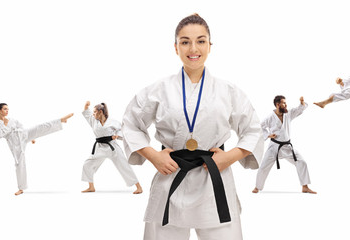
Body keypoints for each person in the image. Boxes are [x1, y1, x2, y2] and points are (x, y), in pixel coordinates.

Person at [122, 14, 263, 240]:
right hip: (170, 175)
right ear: (175, 47)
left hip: (214, 177)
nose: (193, 48)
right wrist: (153, 156)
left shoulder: (228, 91)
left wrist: (230, 157)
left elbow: (253, 130)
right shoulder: (157, 89)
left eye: (201, 40)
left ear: (209, 45)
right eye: (185, 41)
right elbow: (130, 124)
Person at [0, 103, 73, 195]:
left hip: (23, 134)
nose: (7, 111)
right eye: (5, 109)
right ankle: (21, 188)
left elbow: (21, 126)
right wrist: (5, 125)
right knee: (20, 163)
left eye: (8, 109)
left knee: (39, 127)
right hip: (15, 143)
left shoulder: (11, 119)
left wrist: (31, 138)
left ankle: (60, 120)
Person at [252, 96, 316, 194]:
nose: (286, 105)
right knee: (263, 167)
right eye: (284, 103)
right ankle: (257, 187)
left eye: (286, 103)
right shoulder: (270, 117)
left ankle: (305, 186)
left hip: (287, 147)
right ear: (278, 105)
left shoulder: (288, 114)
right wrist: (268, 135)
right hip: (274, 147)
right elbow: (260, 127)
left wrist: (302, 102)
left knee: (302, 162)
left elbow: (299, 109)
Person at [81, 101, 142, 194]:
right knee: (87, 164)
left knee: (124, 166)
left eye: (95, 112)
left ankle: (138, 187)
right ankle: (91, 187)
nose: (93, 114)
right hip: (99, 148)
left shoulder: (113, 122)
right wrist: (86, 105)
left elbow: (121, 129)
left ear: (100, 112)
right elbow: (87, 113)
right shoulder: (93, 120)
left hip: (112, 148)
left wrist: (117, 135)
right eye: (93, 112)